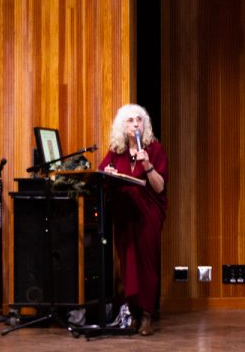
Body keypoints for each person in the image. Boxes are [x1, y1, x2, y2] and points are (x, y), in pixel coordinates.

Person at [98, 103, 167, 336]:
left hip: (148, 214)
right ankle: (133, 313)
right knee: (127, 262)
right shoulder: (116, 150)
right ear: (122, 126)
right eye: (130, 120)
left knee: (146, 263)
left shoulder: (154, 149)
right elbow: (102, 173)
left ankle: (147, 314)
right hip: (124, 214)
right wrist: (109, 174)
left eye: (139, 120)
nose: (136, 124)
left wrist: (147, 165)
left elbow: (159, 187)